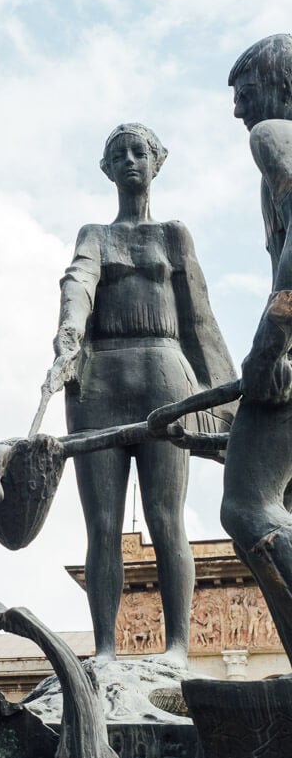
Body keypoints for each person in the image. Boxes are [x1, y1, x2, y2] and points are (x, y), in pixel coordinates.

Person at [50, 123, 236, 665]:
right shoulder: (95, 236)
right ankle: (105, 648)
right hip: (100, 383)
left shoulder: (173, 236)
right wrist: (69, 328)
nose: (130, 160)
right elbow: (78, 281)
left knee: (165, 516)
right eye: (118, 154)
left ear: (157, 161)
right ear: (107, 169)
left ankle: (177, 647)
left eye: (139, 151)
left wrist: (219, 396)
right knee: (102, 523)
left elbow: (199, 316)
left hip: (164, 379)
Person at [221, 34, 292, 663]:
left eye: (244, 94)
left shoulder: (276, 135)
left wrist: (272, 345)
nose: (240, 112)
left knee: (248, 506)